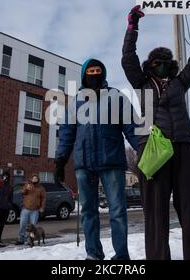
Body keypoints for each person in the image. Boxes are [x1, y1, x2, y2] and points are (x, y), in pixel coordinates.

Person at [121, 3, 190, 260]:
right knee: (155, 212)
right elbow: (127, 58)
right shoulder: (141, 83)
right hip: (152, 150)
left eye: (165, 61)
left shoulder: (180, 82)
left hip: (183, 148)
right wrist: (132, 26)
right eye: (156, 62)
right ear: (149, 65)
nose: (161, 65)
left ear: (171, 65)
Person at [54, 58, 138, 260]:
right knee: (88, 212)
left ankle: (121, 256)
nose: (94, 73)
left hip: (112, 161)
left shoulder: (116, 97)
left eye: (97, 70)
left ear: (104, 73)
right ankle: (93, 254)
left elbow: (132, 127)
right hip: (84, 163)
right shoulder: (77, 102)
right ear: (84, 75)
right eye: (90, 70)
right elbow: (67, 132)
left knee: (117, 212)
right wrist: (60, 160)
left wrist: (144, 151)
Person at [16, 174, 46, 245]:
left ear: (38, 179)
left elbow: (43, 198)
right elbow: (22, 193)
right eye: (33, 178)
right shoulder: (28, 185)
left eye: (36, 178)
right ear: (32, 179)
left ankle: (30, 240)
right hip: (25, 209)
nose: (34, 179)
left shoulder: (41, 188)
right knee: (23, 225)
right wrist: (26, 188)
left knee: (32, 227)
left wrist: (42, 207)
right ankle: (20, 239)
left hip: (35, 210)